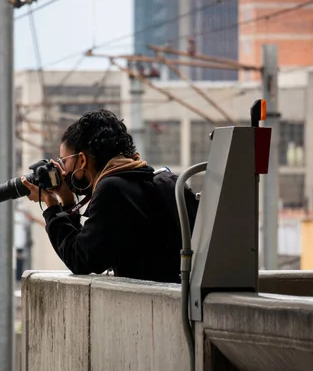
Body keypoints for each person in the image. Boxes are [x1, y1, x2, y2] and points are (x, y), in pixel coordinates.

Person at [21, 109, 198, 284]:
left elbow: (80, 259)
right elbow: (87, 246)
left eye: (64, 161)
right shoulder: (155, 181)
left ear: (82, 160)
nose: (64, 171)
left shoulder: (112, 189)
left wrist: (51, 204)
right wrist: (67, 202)